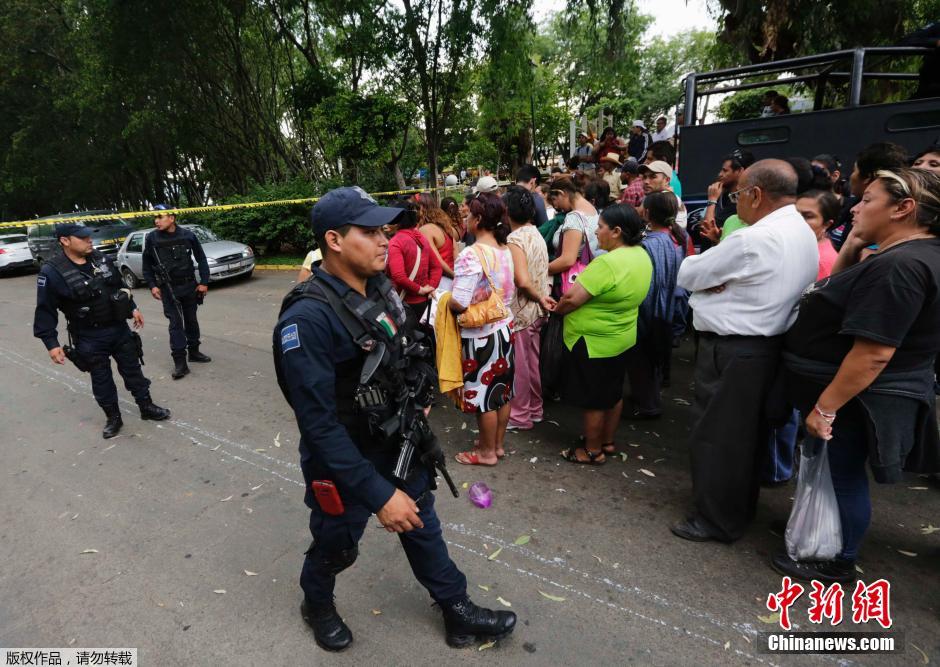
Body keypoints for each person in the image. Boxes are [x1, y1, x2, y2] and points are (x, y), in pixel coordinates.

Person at [272, 187, 516, 651]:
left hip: (400, 438)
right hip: (343, 459)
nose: (386, 240)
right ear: (334, 240)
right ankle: (316, 603)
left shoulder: (383, 289)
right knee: (337, 544)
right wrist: (380, 496)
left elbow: (414, 348)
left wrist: (421, 393)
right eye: (370, 232)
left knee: (423, 522)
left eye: (385, 229)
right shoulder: (306, 319)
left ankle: (456, 609)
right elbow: (319, 425)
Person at [772, 168, 940, 583]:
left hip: (863, 395)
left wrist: (826, 409)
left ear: (903, 209)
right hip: (861, 390)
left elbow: (873, 354)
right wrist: (851, 244)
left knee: (844, 472)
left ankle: (839, 559)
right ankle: (829, 541)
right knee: (836, 469)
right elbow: (833, 290)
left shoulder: (901, 267)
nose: (856, 206)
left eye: (868, 200)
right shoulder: (904, 254)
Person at [671, 160, 819, 543]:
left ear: (755, 194)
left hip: (736, 349)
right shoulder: (799, 228)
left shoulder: (753, 238)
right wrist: (715, 280)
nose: (733, 203)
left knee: (718, 436)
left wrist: (711, 280)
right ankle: (735, 509)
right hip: (764, 345)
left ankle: (716, 519)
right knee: (745, 436)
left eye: (736, 195)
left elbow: (688, 274)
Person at [33, 224, 171, 438]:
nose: (89, 240)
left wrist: (132, 308)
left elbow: (117, 287)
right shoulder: (52, 272)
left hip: (118, 329)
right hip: (89, 336)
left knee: (133, 370)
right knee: (101, 379)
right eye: (82, 238)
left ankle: (146, 406)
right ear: (65, 241)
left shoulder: (101, 259)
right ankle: (113, 417)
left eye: (89, 236)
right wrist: (51, 343)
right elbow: (45, 310)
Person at [552, 204, 652, 464]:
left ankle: (592, 450)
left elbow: (572, 298)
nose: (596, 233)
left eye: (600, 227)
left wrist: (556, 309)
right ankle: (606, 442)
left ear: (617, 231)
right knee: (613, 392)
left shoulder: (607, 263)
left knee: (594, 398)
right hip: (622, 336)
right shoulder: (641, 255)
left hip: (593, 340)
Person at [449, 192, 516, 466]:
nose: (465, 219)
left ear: (477, 219)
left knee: (483, 395)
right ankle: (496, 445)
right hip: (504, 327)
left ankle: (486, 453)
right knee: (501, 391)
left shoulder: (471, 254)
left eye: (468, 215)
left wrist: (443, 300)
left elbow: (460, 302)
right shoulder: (505, 250)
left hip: (480, 336)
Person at [626, 192, 687, 419]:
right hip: (667, 308)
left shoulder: (648, 243)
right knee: (655, 358)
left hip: (648, 310)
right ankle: (648, 399)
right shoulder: (677, 237)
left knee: (642, 360)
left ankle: (647, 405)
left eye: (641, 206)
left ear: (648, 213)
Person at [141, 205, 212, 380]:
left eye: (160, 216)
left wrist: (204, 282)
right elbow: (146, 264)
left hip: (189, 286)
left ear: (172, 218)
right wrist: (152, 285)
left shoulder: (188, 235)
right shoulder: (152, 238)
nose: (156, 221)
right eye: (154, 218)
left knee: (191, 321)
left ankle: (194, 351)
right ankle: (180, 363)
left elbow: (201, 258)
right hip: (168, 288)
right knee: (176, 324)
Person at [503, 186, 553, 431]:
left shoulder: (515, 239)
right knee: (532, 362)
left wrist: (538, 297)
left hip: (523, 310)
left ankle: (520, 415)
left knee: (520, 365)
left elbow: (522, 281)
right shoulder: (534, 232)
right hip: (536, 310)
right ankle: (535, 409)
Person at [829, 142, 909, 250]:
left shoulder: (876, 226)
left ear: (867, 177)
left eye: (854, 171)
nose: (854, 210)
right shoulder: (851, 204)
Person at [386, 201, 441, 327]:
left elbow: (398, 276)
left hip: (405, 303)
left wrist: (420, 290)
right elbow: (436, 267)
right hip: (425, 302)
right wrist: (430, 287)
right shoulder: (422, 239)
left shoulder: (396, 242)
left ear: (397, 221)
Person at [547, 177, 602, 286]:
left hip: (572, 278)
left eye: (554, 199)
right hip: (587, 273)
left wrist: (542, 271)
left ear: (562, 193)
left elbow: (567, 260)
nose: (555, 206)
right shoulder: (592, 209)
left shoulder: (574, 217)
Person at [699, 149, 756, 244]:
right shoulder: (721, 194)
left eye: (725, 171)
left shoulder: (744, 203)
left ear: (740, 171)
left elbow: (707, 228)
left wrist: (712, 200)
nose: (720, 174)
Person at [414, 193, 459, 290]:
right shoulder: (445, 225)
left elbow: (437, 261)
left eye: (416, 208)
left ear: (422, 208)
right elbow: (455, 250)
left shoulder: (425, 230)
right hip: (452, 279)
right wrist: (458, 273)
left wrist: (454, 276)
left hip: (441, 282)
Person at [796, 190, 841, 280]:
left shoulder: (821, 262)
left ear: (827, 224)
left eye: (808, 216)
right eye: (794, 213)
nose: (796, 220)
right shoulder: (801, 246)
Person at [639, 161, 688, 230]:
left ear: (667, 180)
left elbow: (637, 214)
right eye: (644, 177)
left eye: (653, 177)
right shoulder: (659, 194)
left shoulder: (661, 199)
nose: (646, 181)